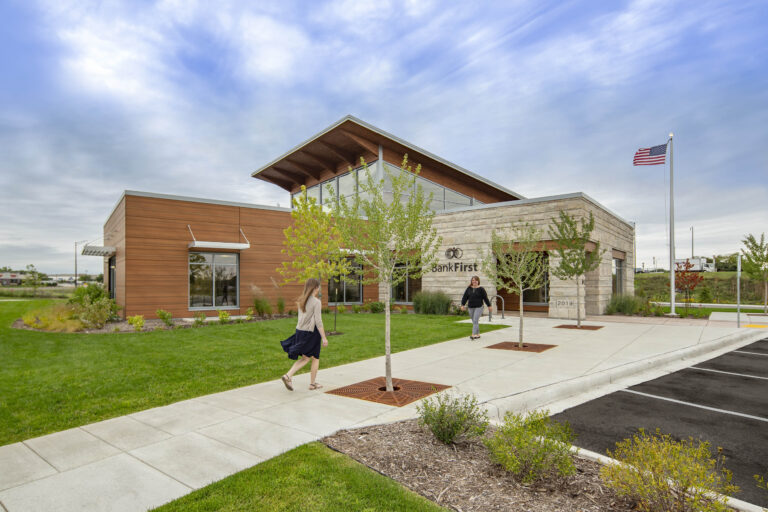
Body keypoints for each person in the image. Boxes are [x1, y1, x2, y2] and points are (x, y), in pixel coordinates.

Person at [280, 278, 329, 391]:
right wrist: (324, 337)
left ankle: (289, 376)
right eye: (318, 287)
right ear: (315, 287)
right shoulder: (316, 302)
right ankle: (293, 377)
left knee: (305, 358)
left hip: (300, 332)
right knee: (314, 358)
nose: (319, 289)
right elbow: (318, 321)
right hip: (311, 333)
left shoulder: (301, 300)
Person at [461, 275, 490, 340]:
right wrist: (462, 305)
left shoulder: (481, 289)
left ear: (478, 281)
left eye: (475, 280)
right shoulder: (469, 288)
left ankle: (473, 334)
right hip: (470, 307)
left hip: (479, 307)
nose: (474, 281)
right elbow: (465, 297)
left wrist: (489, 305)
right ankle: (478, 334)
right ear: (471, 281)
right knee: (474, 321)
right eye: (473, 280)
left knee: (475, 320)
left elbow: (485, 298)